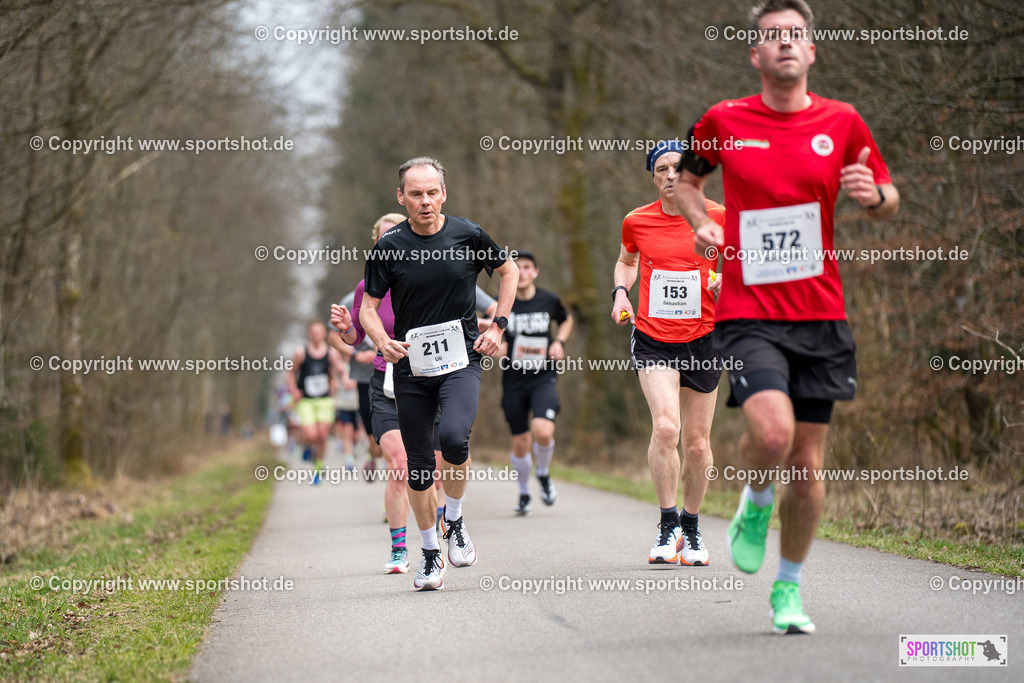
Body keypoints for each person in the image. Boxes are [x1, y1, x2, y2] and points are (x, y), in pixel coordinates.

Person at [674, 0, 899, 633]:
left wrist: (874, 197)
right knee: (771, 436)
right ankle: (754, 499)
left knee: (807, 464)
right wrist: (701, 223)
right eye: (772, 37)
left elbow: (887, 198)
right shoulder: (724, 120)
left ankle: (789, 589)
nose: (785, 45)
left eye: (796, 35)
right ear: (756, 53)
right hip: (749, 310)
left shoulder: (843, 122)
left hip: (822, 312)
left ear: (812, 50)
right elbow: (688, 184)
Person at [360, 157, 518, 591]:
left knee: (453, 438)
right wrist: (381, 340)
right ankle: (430, 554)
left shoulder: (467, 234)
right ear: (401, 197)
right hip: (411, 367)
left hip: (461, 361)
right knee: (417, 469)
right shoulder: (389, 246)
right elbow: (368, 308)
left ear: (443, 194)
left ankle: (457, 518)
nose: (425, 201)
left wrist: (499, 325)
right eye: (416, 194)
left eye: (432, 192)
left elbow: (509, 272)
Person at [612, 141, 725, 566]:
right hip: (654, 336)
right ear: (654, 177)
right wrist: (621, 293)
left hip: (705, 338)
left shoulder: (719, 218)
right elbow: (626, 262)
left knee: (696, 445)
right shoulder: (637, 221)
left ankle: (692, 530)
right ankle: (667, 525)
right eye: (662, 169)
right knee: (665, 428)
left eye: (679, 167)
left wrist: (724, 283)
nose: (671, 175)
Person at [499, 250, 573, 515]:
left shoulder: (549, 299)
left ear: (535, 272)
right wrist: (498, 346)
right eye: (517, 267)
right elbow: (494, 335)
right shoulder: (503, 303)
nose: (523, 271)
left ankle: (543, 473)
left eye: (528, 267)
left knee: (543, 431)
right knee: (520, 440)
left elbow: (566, 320)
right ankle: (524, 493)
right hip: (513, 380)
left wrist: (559, 342)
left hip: (543, 377)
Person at [287, 320, 343, 484]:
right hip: (306, 400)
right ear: (309, 335)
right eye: (313, 332)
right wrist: (294, 390)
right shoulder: (301, 353)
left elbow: (338, 370)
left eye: (319, 332)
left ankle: (318, 469)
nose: (316, 335)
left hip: (325, 399)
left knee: (322, 436)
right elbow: (290, 373)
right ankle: (308, 448)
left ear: (324, 334)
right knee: (311, 435)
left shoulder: (331, 353)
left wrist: (338, 381)